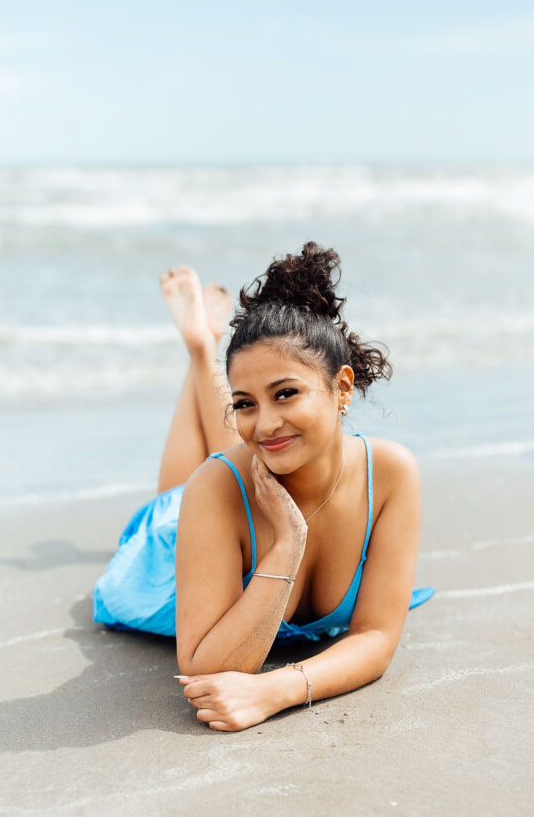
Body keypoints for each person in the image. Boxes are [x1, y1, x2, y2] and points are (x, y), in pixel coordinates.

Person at [94, 242, 433, 732]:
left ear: (341, 388)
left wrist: (276, 690)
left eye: (286, 393)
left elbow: (377, 636)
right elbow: (207, 666)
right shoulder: (211, 486)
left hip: (227, 495)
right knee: (183, 493)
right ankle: (199, 350)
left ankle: (200, 348)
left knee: (251, 452)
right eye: (244, 402)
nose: (265, 421)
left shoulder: (392, 474)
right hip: (170, 544)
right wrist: (287, 544)